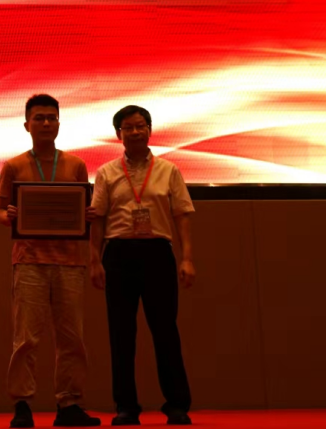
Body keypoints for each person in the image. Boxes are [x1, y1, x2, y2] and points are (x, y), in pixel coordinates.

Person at [0, 94, 100, 428]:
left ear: (58, 123)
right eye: (38, 118)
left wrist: (86, 215)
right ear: (26, 125)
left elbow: (85, 209)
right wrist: (9, 216)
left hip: (70, 261)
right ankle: (22, 405)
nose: (45, 123)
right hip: (29, 260)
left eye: (51, 118)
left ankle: (69, 404)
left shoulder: (75, 165)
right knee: (26, 337)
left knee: (72, 338)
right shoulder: (13, 165)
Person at [90, 105, 195, 427]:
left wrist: (187, 258)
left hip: (157, 253)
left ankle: (177, 405)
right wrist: (94, 260)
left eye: (140, 126)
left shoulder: (169, 170)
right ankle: (126, 407)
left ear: (149, 130)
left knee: (165, 331)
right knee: (121, 334)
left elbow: (182, 216)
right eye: (128, 127)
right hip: (118, 254)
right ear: (118, 134)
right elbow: (97, 219)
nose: (135, 132)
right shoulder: (106, 172)